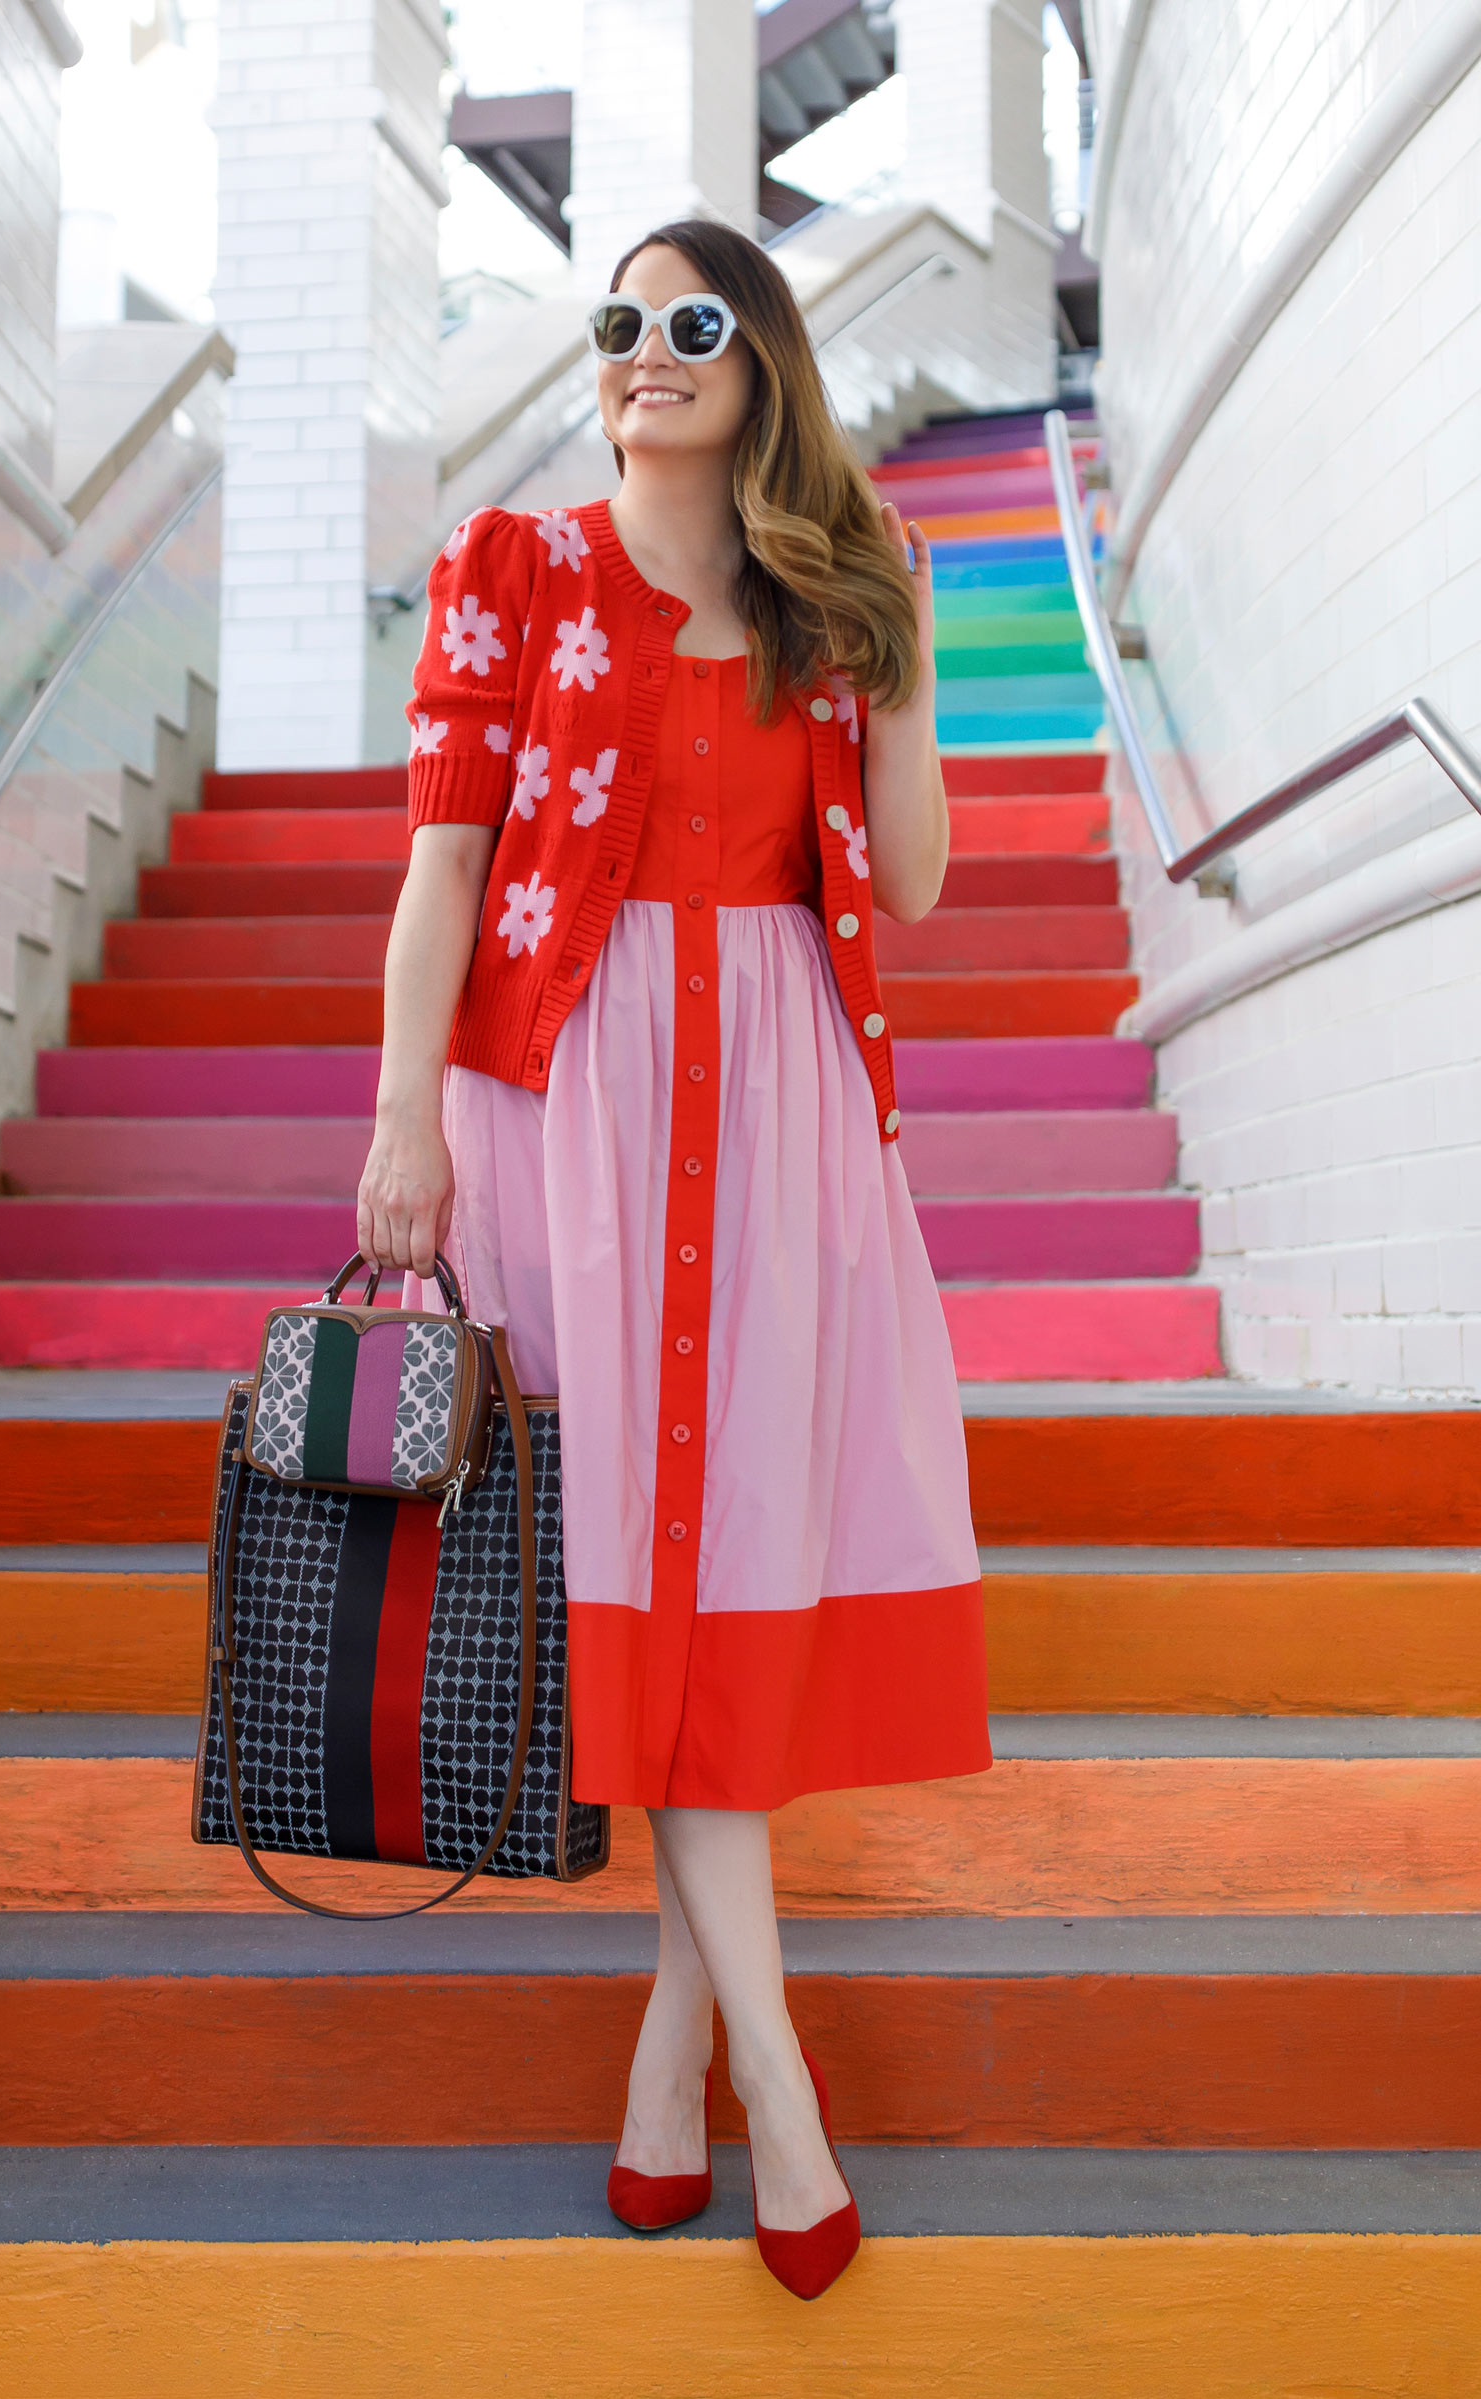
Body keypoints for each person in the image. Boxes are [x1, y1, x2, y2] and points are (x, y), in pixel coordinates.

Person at [357, 217, 989, 2299]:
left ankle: (663, 2077)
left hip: (786, 1096)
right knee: (647, 1551)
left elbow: (898, 878)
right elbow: (444, 861)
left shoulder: (828, 595)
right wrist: (397, 1128)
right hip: (576, 1100)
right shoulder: (509, 567)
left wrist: (893, 656)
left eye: (686, 322)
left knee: (723, 1578)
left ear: (763, 358)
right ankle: (780, 2111)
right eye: (612, 323)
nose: (638, 351)